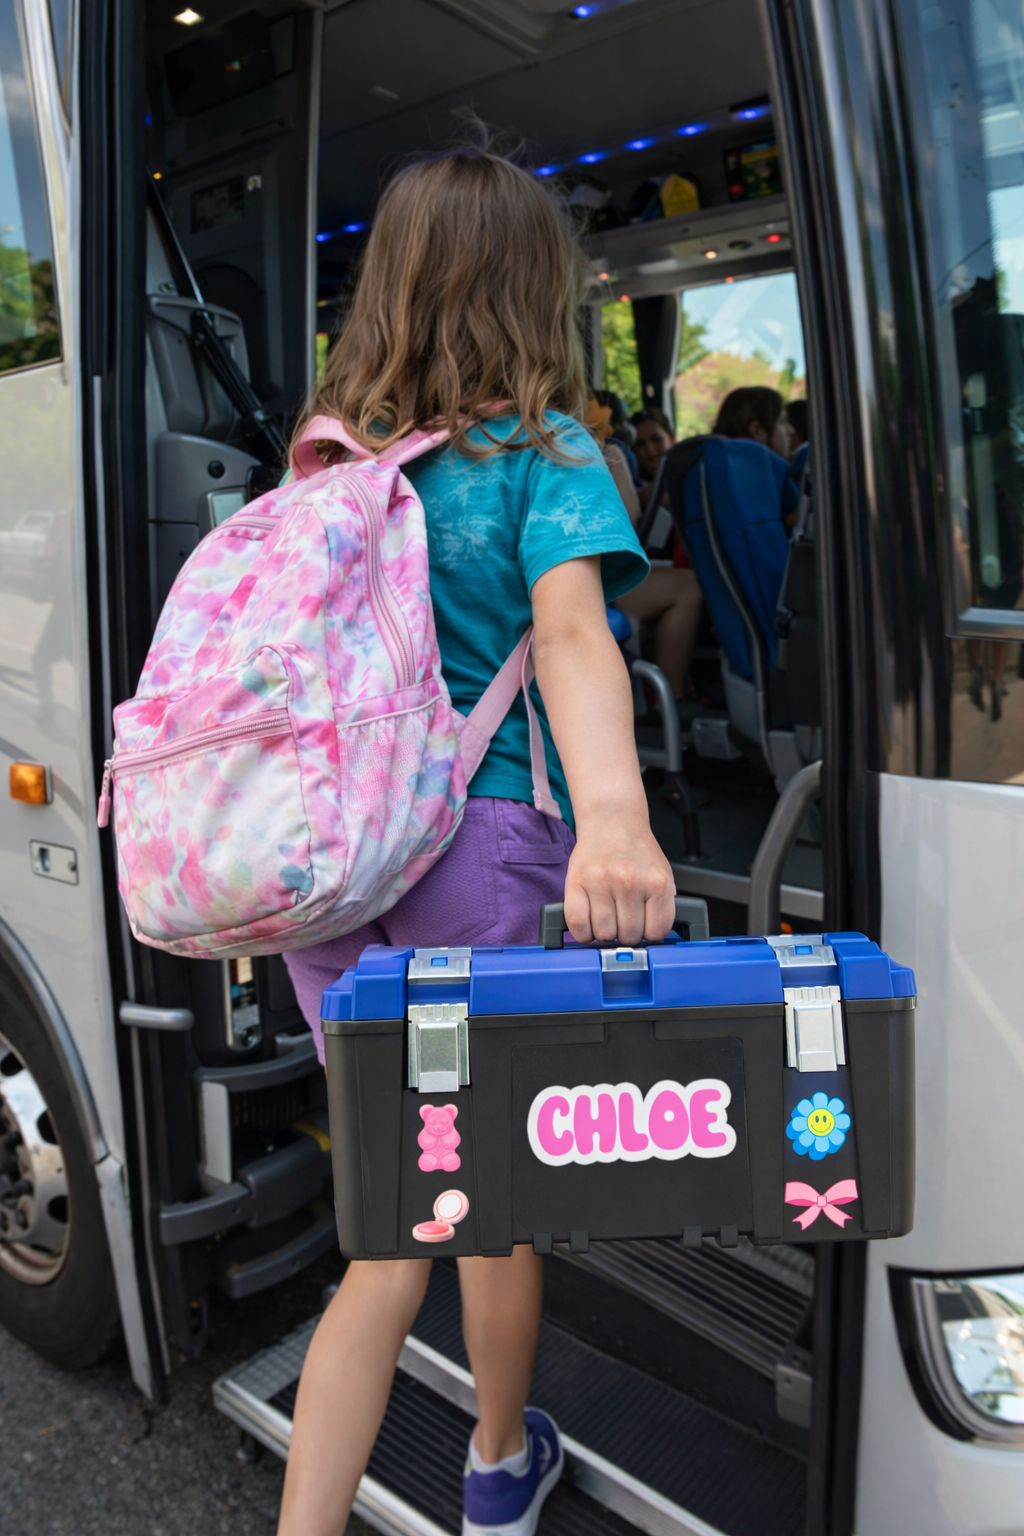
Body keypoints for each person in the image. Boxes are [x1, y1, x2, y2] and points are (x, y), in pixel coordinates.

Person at [276, 146, 675, 1536]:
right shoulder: (547, 449)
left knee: (390, 1222)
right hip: (469, 847)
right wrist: (614, 819)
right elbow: (570, 632)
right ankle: (501, 1466)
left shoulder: (325, 454)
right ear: (536, 287)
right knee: (488, 1196)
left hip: (324, 877)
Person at [713, 385, 793, 460]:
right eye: (782, 422)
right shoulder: (760, 472)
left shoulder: (709, 462)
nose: (791, 431)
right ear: (756, 430)